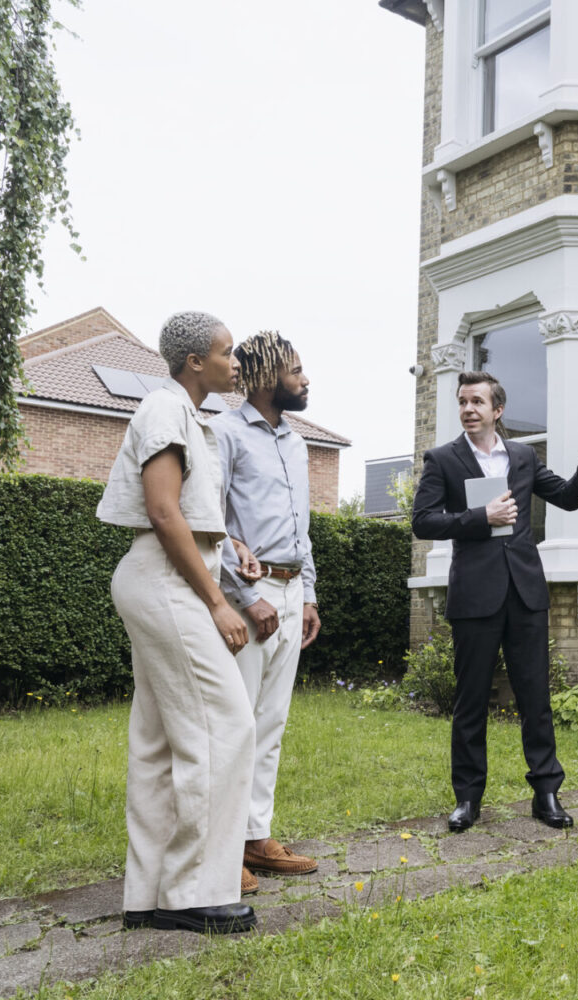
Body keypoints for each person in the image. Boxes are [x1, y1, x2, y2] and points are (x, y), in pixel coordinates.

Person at [96, 311, 257, 934]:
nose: (235, 361)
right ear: (196, 362)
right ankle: (192, 891)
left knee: (161, 740)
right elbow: (164, 514)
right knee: (226, 726)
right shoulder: (164, 411)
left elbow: (187, 513)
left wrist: (231, 545)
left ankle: (151, 892)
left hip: (162, 578)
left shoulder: (186, 415)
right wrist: (218, 602)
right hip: (166, 583)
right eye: (226, 352)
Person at [412, 371, 578, 832]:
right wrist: (478, 517)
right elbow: (423, 521)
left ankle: (546, 792)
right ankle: (467, 799)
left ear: (497, 410)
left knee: (535, 697)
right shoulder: (443, 459)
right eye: (463, 402)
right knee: (470, 701)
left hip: (526, 594)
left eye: (477, 402)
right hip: (474, 598)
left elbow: (568, 497)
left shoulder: (523, 457)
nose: (468, 409)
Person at [211, 331, 322, 894]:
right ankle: (220, 850)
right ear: (266, 377)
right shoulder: (225, 434)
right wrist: (246, 597)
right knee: (234, 724)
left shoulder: (297, 443)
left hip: (288, 589)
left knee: (270, 723)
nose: (305, 380)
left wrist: (308, 594)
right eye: (297, 371)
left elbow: (301, 529)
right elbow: (211, 523)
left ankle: (256, 836)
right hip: (246, 597)